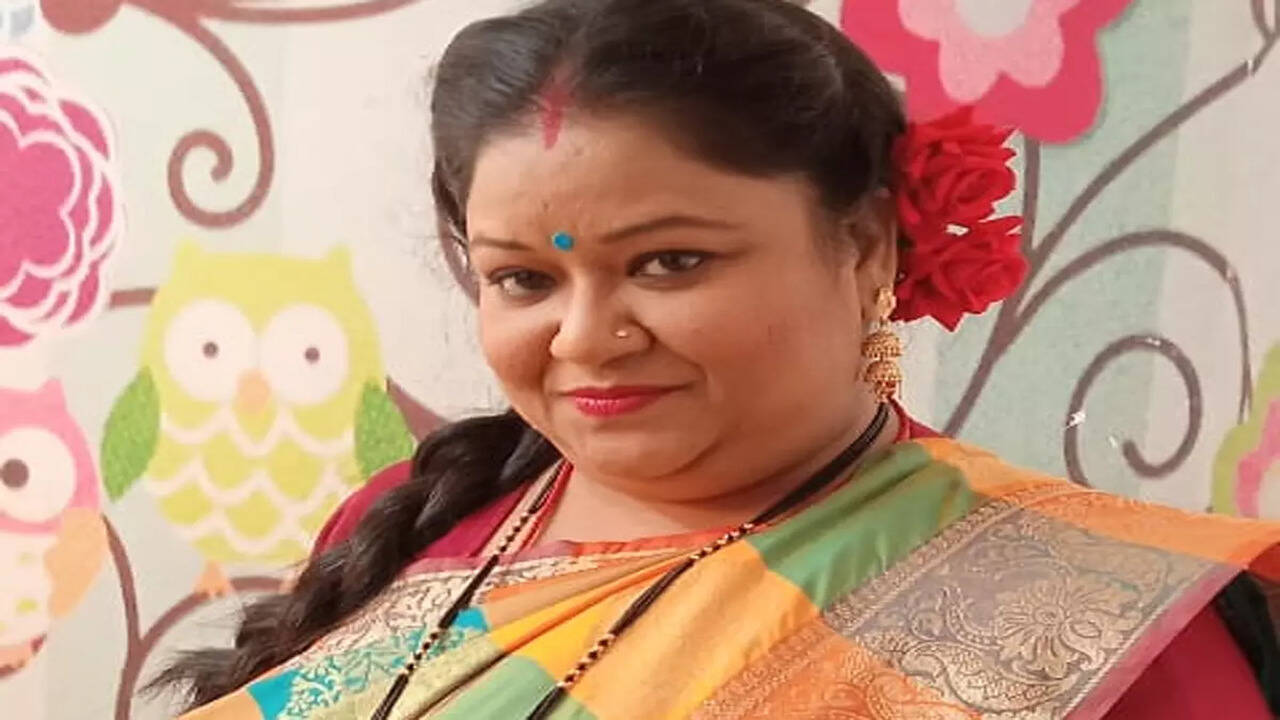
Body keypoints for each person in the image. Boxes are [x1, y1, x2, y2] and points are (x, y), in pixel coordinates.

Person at [157, 0, 1280, 717]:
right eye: (524, 279)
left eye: (670, 262)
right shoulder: (403, 522)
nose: (585, 337)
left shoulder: (1085, 619)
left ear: (864, 244)